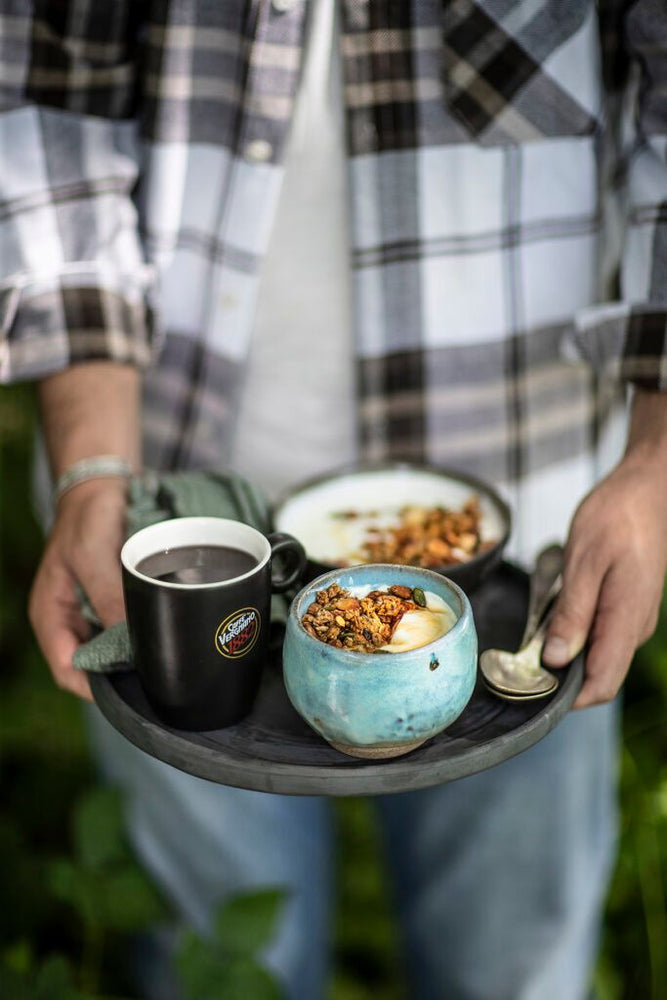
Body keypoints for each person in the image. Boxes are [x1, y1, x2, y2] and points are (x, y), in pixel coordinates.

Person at [2, 1, 666, 997]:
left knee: (512, 971)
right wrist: (92, 464)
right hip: (173, 526)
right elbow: (47, 103)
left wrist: (654, 460)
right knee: (220, 966)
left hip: (528, 544)